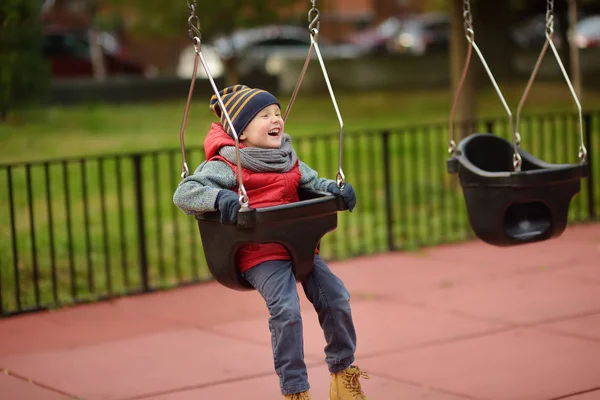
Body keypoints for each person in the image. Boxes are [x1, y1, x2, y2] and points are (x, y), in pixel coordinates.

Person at [173, 84, 369, 400]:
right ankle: (295, 391)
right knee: (287, 311)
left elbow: (314, 182)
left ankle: (343, 372)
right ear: (242, 132)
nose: (275, 119)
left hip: (301, 248)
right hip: (258, 254)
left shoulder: (286, 158)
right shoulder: (226, 165)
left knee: (337, 298)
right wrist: (219, 196)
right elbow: (184, 194)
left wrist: (336, 189)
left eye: (277, 113)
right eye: (264, 115)